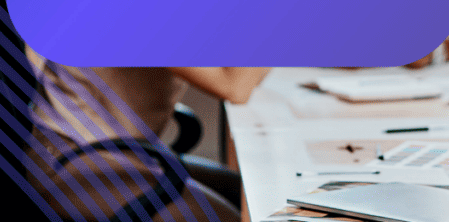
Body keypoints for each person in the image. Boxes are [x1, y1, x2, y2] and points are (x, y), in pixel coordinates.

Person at [26, 54, 270, 222]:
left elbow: (243, 71)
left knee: (256, 195)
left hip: (113, 153)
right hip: (68, 161)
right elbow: (235, 86)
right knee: (245, 217)